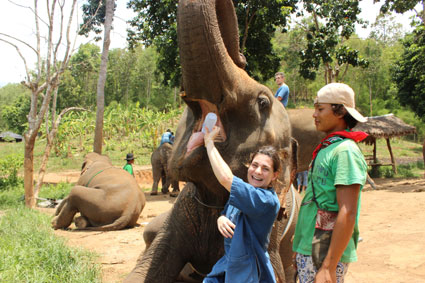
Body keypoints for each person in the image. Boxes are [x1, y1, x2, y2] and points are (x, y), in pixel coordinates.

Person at [292, 83, 368, 283]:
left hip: (324, 250)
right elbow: (312, 200)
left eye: (320, 109)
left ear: (340, 111)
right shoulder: (328, 148)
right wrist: (300, 246)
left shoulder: (345, 151)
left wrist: (329, 266)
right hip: (310, 245)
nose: (314, 115)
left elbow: (348, 211)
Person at [203, 126, 281, 283]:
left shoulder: (267, 201)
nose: (258, 171)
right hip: (228, 264)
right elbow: (227, 211)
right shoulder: (244, 193)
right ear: (248, 165)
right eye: (254, 165)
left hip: (248, 271)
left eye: (265, 169)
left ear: (275, 175)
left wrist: (209, 143)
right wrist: (221, 218)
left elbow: (226, 179)